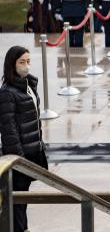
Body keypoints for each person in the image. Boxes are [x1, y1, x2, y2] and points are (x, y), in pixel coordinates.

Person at [0, 46, 49, 232]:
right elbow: (9, 132)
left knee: (23, 196)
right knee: (17, 199)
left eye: (28, 61)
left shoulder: (27, 85)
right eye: (22, 62)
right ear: (12, 64)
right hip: (20, 156)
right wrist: (19, 160)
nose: (26, 66)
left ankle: (23, 227)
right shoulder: (7, 93)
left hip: (32, 151)